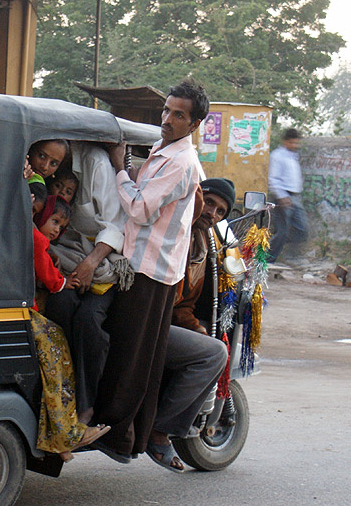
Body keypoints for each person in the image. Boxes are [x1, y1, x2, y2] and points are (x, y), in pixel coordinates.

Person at [92, 79, 207, 463]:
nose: (168, 119)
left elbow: (140, 209)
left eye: (178, 115)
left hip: (150, 270)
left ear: (193, 124)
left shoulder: (181, 162)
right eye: (166, 111)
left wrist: (118, 169)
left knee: (132, 355)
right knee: (140, 354)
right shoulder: (164, 150)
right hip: (147, 266)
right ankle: (131, 435)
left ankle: (116, 435)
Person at [147, 178, 234, 472]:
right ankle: (158, 429)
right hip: (146, 323)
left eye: (220, 211)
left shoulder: (201, 248)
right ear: (196, 197)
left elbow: (182, 304)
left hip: (164, 322)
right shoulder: (173, 231)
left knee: (211, 347)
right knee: (214, 355)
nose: (211, 213)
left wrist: (196, 329)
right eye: (208, 202)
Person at [45, 142, 131, 432]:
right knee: (59, 306)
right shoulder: (43, 167)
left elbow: (115, 225)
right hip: (64, 261)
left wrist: (90, 264)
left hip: (100, 264)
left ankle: (86, 405)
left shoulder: (94, 164)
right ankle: (59, 397)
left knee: (88, 323)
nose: (49, 164)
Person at [268, 128, 308, 263]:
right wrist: (282, 197)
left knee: (302, 228)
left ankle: (290, 256)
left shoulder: (293, 156)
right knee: (282, 232)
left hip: (295, 196)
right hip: (282, 197)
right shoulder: (277, 156)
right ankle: (268, 260)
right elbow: (273, 179)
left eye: (296, 143)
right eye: (292, 143)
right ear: (285, 141)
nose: (295, 146)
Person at [32, 196, 76, 302]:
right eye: (55, 222)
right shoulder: (37, 239)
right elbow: (44, 269)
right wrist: (61, 282)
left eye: (61, 227)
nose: (57, 230)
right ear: (42, 214)